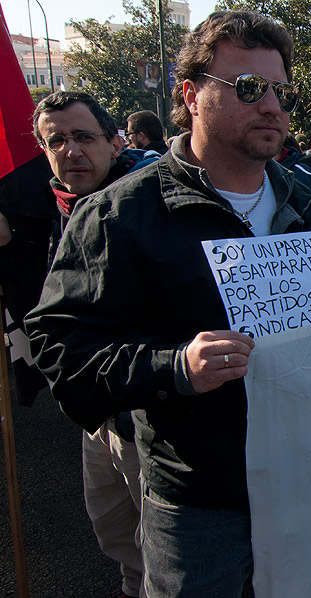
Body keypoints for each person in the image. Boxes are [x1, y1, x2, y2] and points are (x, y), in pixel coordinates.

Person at [26, 12, 311, 596]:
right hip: (202, 508)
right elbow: (61, 349)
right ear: (191, 95)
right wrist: (175, 368)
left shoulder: (308, 198)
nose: (272, 106)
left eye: (281, 91)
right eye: (249, 87)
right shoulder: (119, 215)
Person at [30, 90, 160, 598]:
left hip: (147, 409)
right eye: (56, 141)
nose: (71, 151)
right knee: (113, 525)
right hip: (98, 406)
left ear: (115, 141)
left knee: (159, 541)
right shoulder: (62, 206)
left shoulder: (149, 202)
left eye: (83, 136)